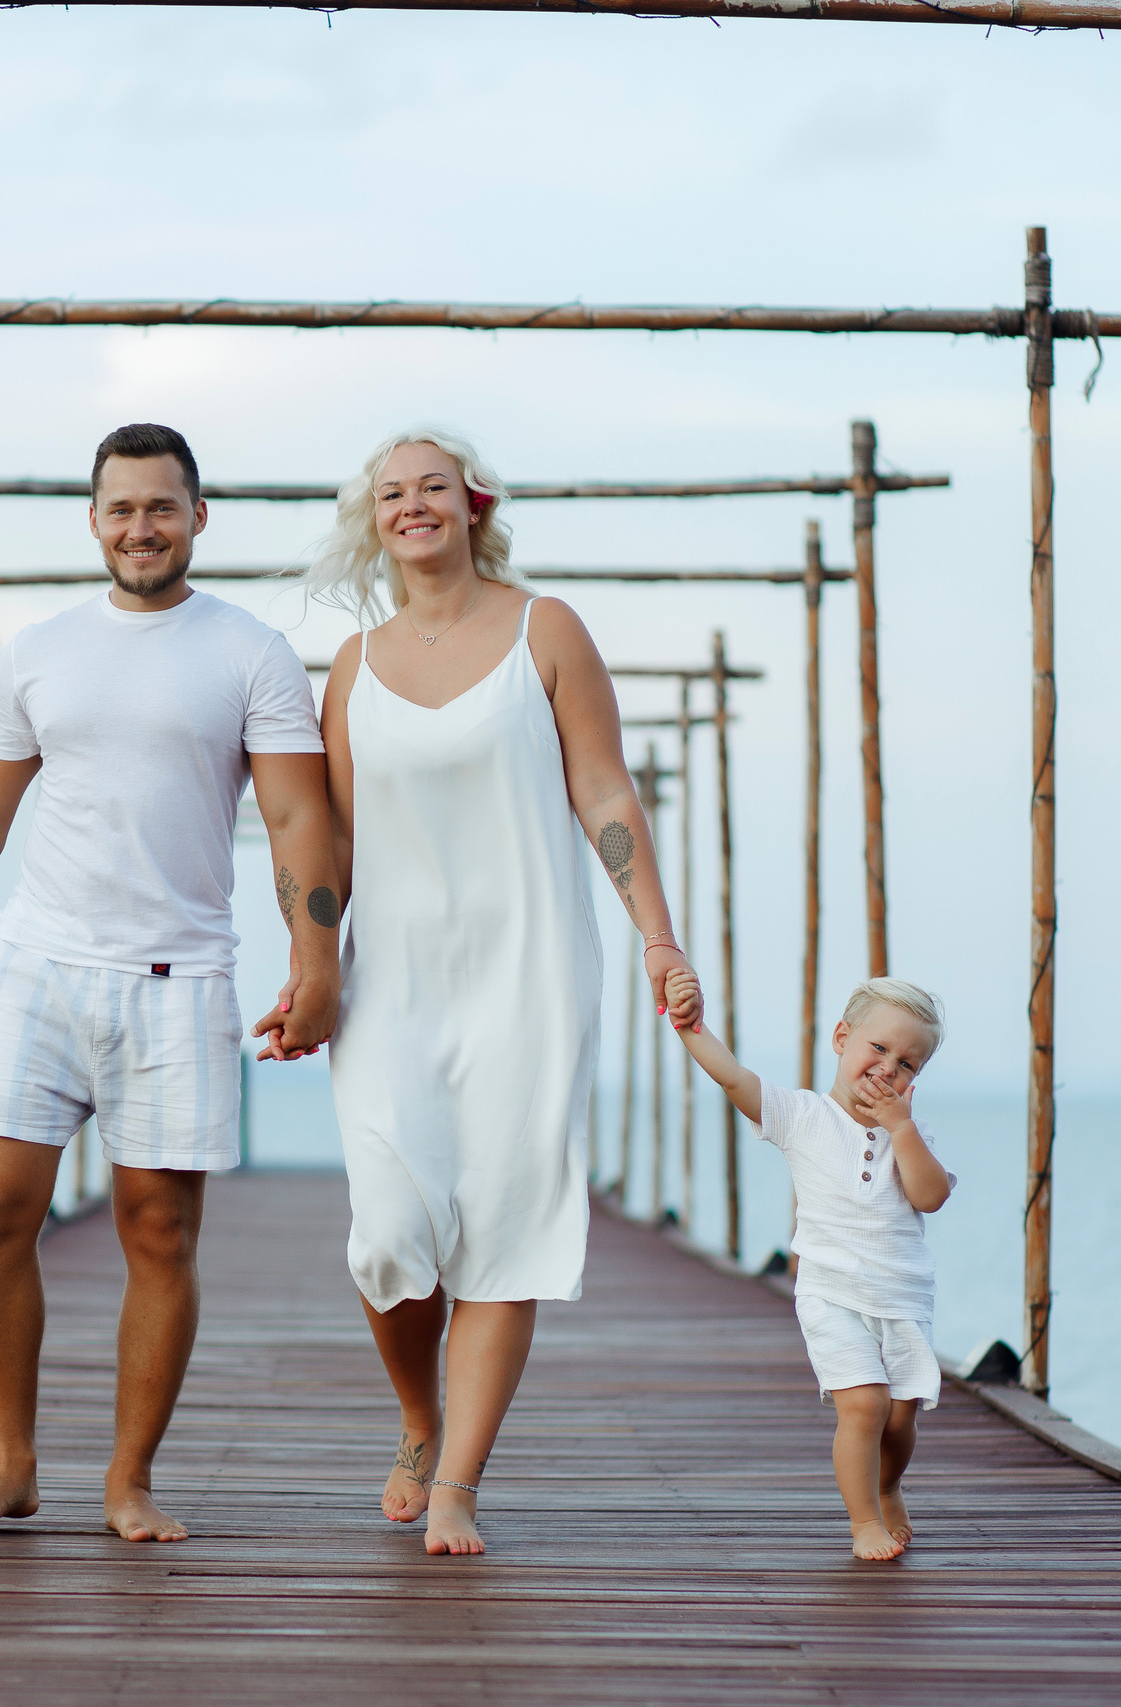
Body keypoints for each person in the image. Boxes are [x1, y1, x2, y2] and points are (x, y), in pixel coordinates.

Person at [0, 422, 340, 1542]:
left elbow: (295, 816)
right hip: (35, 969)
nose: (139, 527)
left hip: (179, 979)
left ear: (198, 517)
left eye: (160, 506)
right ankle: (11, 1465)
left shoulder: (250, 652)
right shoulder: (41, 649)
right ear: (93, 521)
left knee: (158, 1234)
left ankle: (128, 1478)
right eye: (120, 508)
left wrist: (315, 960)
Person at [310, 427, 700, 1557]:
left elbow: (605, 792)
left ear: (473, 505)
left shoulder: (546, 629)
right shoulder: (353, 664)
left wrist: (658, 940)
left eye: (434, 486)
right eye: (393, 493)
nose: (414, 505)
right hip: (391, 981)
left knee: (502, 1229)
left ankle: (457, 1485)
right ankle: (419, 1415)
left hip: (529, 974)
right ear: (373, 519)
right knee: (389, 1233)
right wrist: (312, 968)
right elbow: (329, 838)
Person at [666, 969, 954, 1561]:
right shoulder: (802, 1116)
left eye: (907, 1065)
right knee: (864, 1405)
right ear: (842, 1039)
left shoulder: (910, 1132)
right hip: (830, 1291)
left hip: (902, 1297)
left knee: (900, 1420)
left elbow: (930, 1196)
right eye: (878, 1048)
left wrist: (900, 1128)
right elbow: (733, 1077)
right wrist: (691, 1026)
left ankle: (889, 1484)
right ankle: (863, 1522)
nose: (887, 1069)